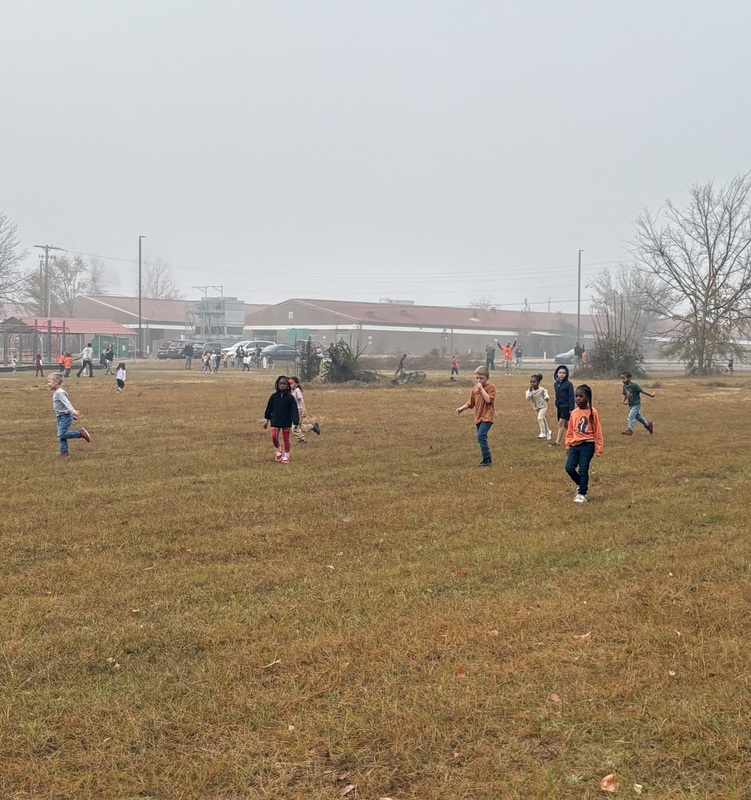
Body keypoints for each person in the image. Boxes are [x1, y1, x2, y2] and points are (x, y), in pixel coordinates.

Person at [565, 383, 603, 503]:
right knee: (569, 467)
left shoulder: (593, 412)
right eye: (576, 396)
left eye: (581, 396)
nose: (578, 399)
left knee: (583, 469)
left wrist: (599, 447)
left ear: (588, 398)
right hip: (575, 444)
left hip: (588, 445)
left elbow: (598, 430)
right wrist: (567, 443)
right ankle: (580, 485)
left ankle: (582, 494)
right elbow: (570, 429)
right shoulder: (574, 413)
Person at [456, 365, 496, 466]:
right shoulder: (474, 389)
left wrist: (482, 389)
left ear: (487, 378)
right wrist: (461, 408)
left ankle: (487, 459)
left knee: (481, 436)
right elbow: (470, 403)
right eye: (477, 378)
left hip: (487, 416)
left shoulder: (490, 387)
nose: (479, 380)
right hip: (478, 417)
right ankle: (486, 458)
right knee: (481, 438)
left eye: (482, 378)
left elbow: (488, 400)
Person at [47, 373, 90, 457]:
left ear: (56, 382)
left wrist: (73, 411)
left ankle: (80, 433)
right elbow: (63, 405)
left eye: (49, 382)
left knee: (62, 434)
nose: (48, 384)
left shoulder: (59, 393)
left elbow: (67, 403)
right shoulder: (58, 392)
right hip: (61, 416)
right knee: (61, 435)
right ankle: (64, 452)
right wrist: (72, 414)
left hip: (64, 417)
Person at [264, 375, 299, 463]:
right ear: (277, 385)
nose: (282, 385)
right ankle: (278, 451)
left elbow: (294, 410)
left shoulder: (290, 398)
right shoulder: (274, 396)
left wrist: (295, 422)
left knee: (286, 439)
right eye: (280, 383)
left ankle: (286, 456)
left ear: (287, 385)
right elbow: (269, 408)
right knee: (274, 436)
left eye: (284, 384)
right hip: (275, 420)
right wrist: (266, 419)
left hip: (286, 421)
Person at [620, 371, 654, 436]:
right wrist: (623, 400)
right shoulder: (624, 386)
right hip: (631, 405)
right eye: (621, 378)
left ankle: (630, 430)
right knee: (638, 417)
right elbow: (625, 394)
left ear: (629, 378)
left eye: (624, 378)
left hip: (636, 404)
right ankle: (648, 425)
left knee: (631, 416)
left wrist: (651, 395)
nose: (622, 380)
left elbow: (642, 391)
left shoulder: (634, 386)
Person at [288, 376, 321, 443]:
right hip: (293, 412)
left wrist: (303, 410)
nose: (290, 385)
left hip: (298, 412)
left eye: (291, 383)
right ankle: (313, 426)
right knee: (299, 426)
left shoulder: (297, 390)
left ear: (296, 384)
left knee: (295, 428)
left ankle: (302, 440)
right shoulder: (291, 391)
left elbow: (301, 400)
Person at [550, 364, 575, 448]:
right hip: (559, 407)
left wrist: (571, 408)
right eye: (560, 372)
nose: (561, 374)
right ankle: (574, 439)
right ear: (557, 373)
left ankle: (557, 442)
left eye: (563, 373)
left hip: (566, 407)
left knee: (560, 424)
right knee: (566, 426)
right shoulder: (556, 384)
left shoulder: (568, 385)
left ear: (566, 374)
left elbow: (571, 397)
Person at [525, 373, 551, 440]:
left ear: (538, 382)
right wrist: (530, 392)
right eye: (531, 382)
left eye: (534, 382)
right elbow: (527, 398)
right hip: (536, 408)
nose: (532, 383)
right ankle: (548, 431)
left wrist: (546, 398)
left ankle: (543, 433)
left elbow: (546, 395)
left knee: (540, 418)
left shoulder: (542, 389)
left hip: (543, 406)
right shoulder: (529, 390)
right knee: (543, 419)